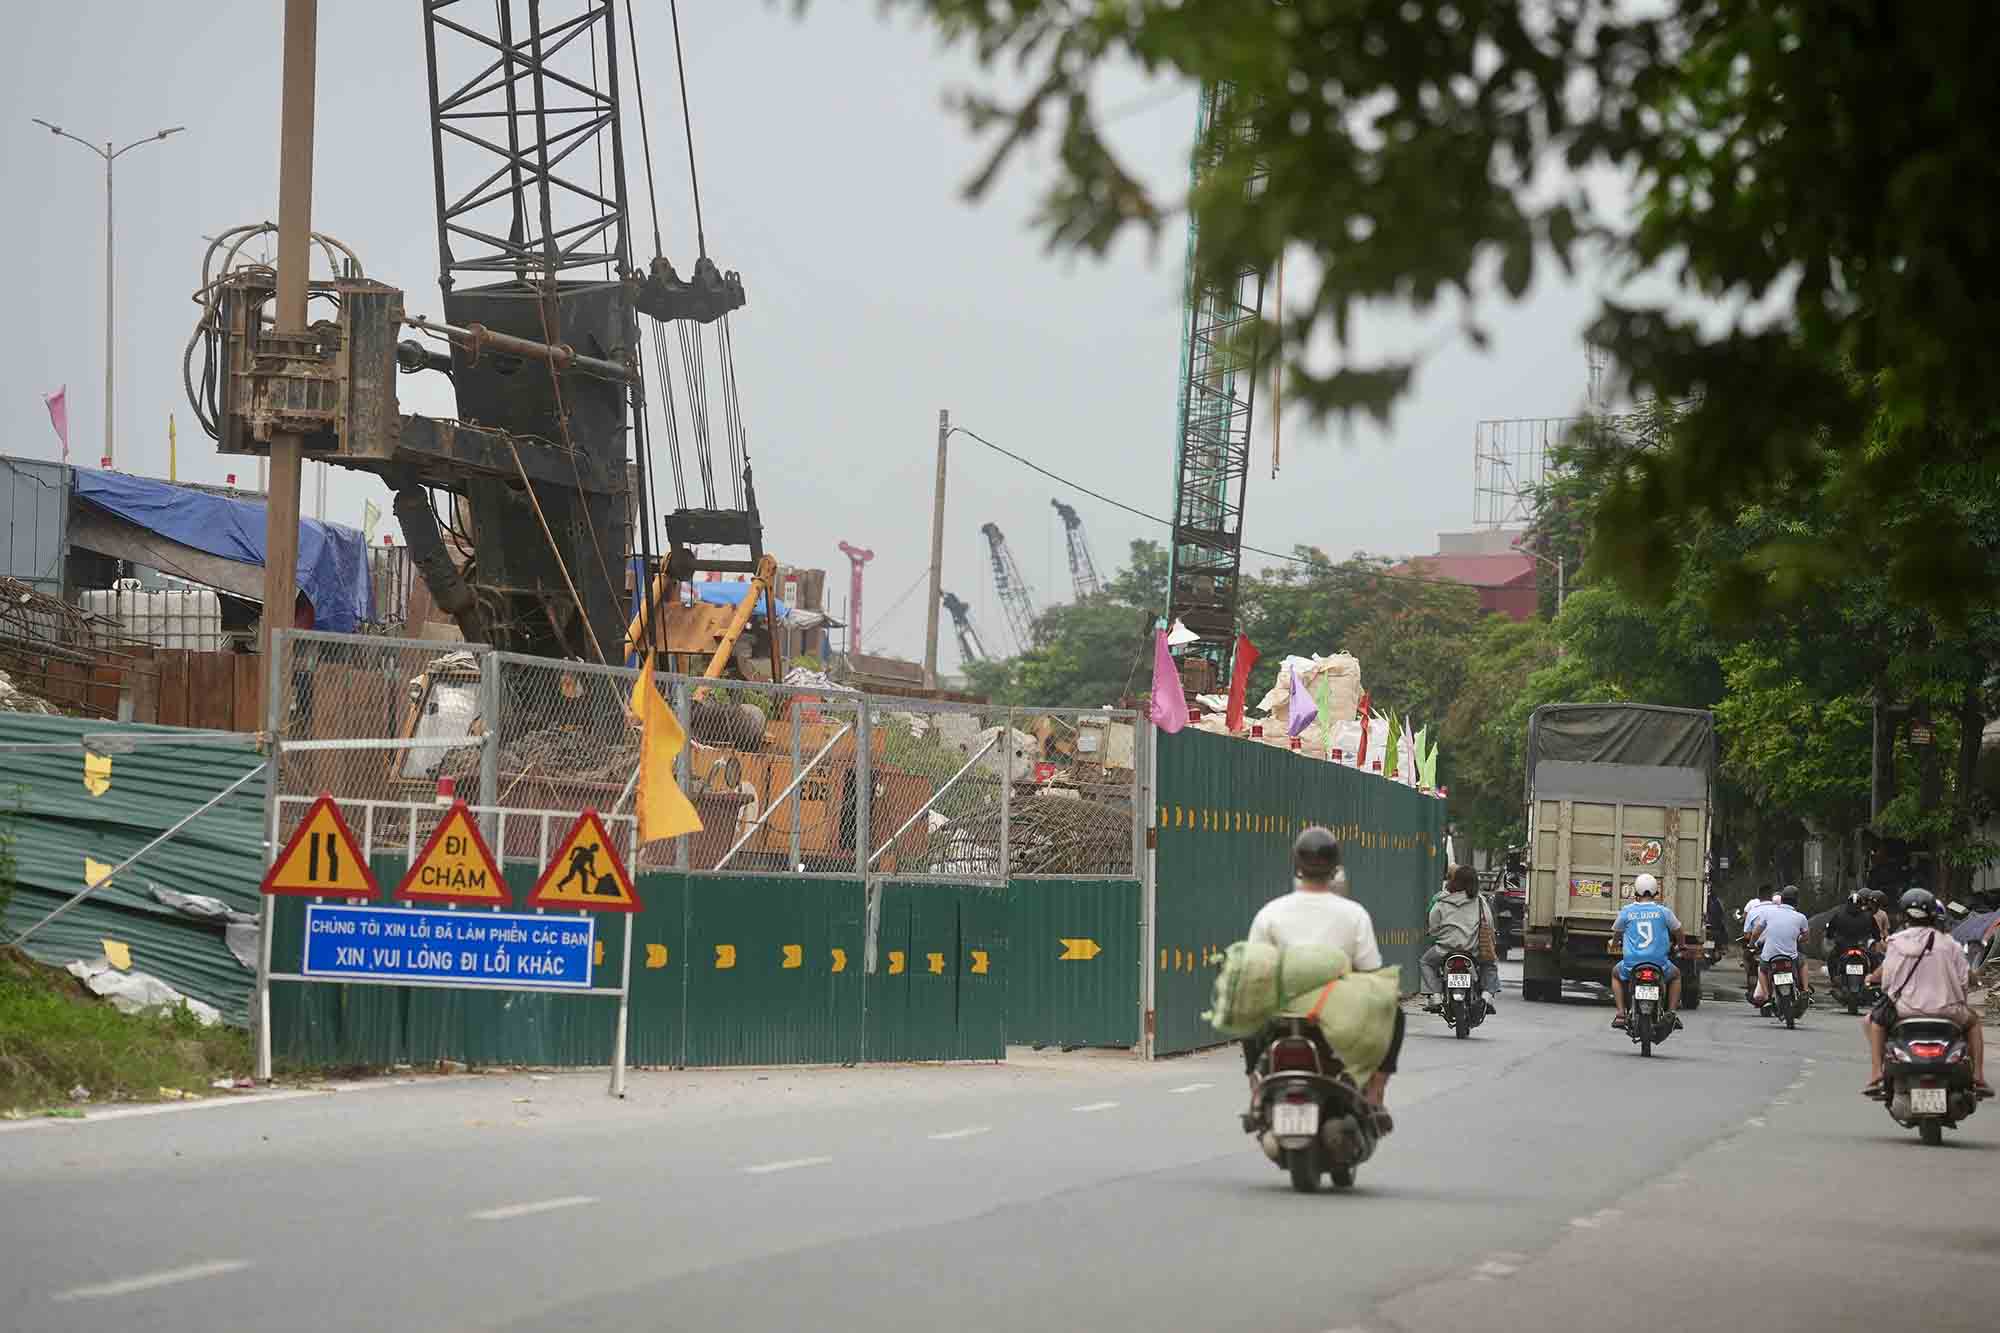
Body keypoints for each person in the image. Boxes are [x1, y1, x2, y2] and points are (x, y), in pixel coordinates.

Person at [1244, 826, 1404, 1127]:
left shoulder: (1271, 913)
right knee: (1395, 1012)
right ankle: (1376, 1091)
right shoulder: (1354, 914)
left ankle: (1255, 1086)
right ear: (1335, 868)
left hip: (1281, 1015)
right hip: (1336, 1015)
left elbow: (1255, 970)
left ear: (1297, 865)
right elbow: (1370, 971)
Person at [1861, 888, 1991, 1096]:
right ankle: (1978, 1076)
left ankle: (1877, 1073)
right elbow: (1966, 978)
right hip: (1948, 1012)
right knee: (1974, 1023)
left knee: (1873, 1022)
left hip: (1905, 1012)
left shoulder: (1896, 942)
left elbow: (1887, 980)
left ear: (1904, 915)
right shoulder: (1950, 944)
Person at [1610, 873, 1683, 1029]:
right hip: (1659, 964)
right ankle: (1671, 1013)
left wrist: (1614, 944)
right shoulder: (1664, 912)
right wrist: (1680, 944)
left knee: (1615, 974)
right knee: (1676, 975)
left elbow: (1617, 933)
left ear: (1636, 891)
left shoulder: (1627, 911)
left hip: (1632, 965)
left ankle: (1621, 1014)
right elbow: (1678, 931)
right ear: (1656, 891)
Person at [1421, 865, 1497, 1015]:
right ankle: (1487, 998)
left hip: (1445, 949)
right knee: (1489, 964)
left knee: (1426, 962)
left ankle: (1436, 996)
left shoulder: (1442, 900)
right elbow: (1488, 923)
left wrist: (1438, 934)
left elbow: (1433, 925)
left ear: (1455, 881)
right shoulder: (1480, 901)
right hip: (1473, 950)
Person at [1749, 885, 1812, 1009]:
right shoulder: (1801, 917)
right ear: (1797, 901)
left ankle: (1767, 997)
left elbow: (1756, 932)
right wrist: (1798, 939)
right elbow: (1806, 936)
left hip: (1770, 956)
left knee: (1761, 969)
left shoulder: (1768, 913)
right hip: (1791, 957)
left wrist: (1752, 943)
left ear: (1782, 899)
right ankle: (1805, 991)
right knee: (1803, 962)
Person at [1824, 888, 1884, 965]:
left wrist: (1830, 937)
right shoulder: (1869, 916)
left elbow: (1830, 932)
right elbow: (1877, 935)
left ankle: (1834, 976)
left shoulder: (1838, 915)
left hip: (1843, 947)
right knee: (1875, 961)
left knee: (1831, 959)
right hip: (1862, 947)